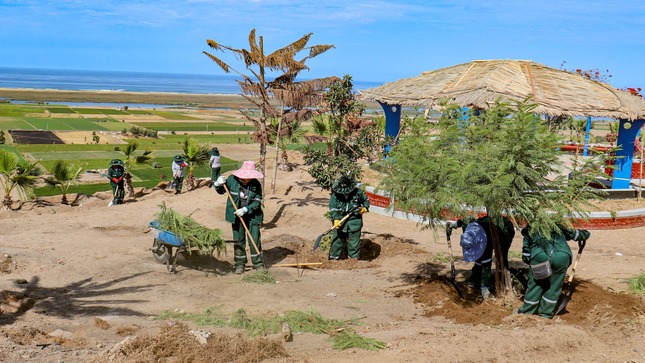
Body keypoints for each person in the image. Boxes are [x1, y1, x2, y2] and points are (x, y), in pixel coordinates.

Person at [514, 225, 590, 318]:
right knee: (554, 286)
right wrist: (586, 233)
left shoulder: (531, 227)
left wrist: (530, 261)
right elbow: (577, 235)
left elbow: (526, 253)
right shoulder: (560, 225)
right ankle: (545, 314)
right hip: (562, 257)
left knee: (536, 284)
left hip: (540, 256)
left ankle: (526, 312)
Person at [214, 161, 264, 274]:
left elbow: (257, 202)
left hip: (252, 216)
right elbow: (221, 191)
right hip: (236, 216)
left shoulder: (256, 185)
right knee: (239, 240)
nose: (244, 179)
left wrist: (246, 209)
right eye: (243, 177)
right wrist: (217, 184)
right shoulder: (232, 179)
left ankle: (259, 264)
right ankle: (240, 264)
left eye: (247, 178)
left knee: (254, 240)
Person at [451, 215, 515, 299]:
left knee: (501, 258)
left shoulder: (485, 241)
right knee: (479, 258)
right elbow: (467, 219)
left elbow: (486, 266)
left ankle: (503, 280)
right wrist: (454, 224)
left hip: (505, 230)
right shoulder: (468, 227)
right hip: (487, 228)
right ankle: (475, 278)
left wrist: (485, 287)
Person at [328, 175, 370, 260]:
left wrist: (365, 208)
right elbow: (332, 208)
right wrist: (336, 219)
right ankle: (333, 259)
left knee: (354, 243)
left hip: (354, 222)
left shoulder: (358, 193)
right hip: (340, 222)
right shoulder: (335, 196)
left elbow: (366, 200)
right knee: (337, 241)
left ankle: (353, 260)